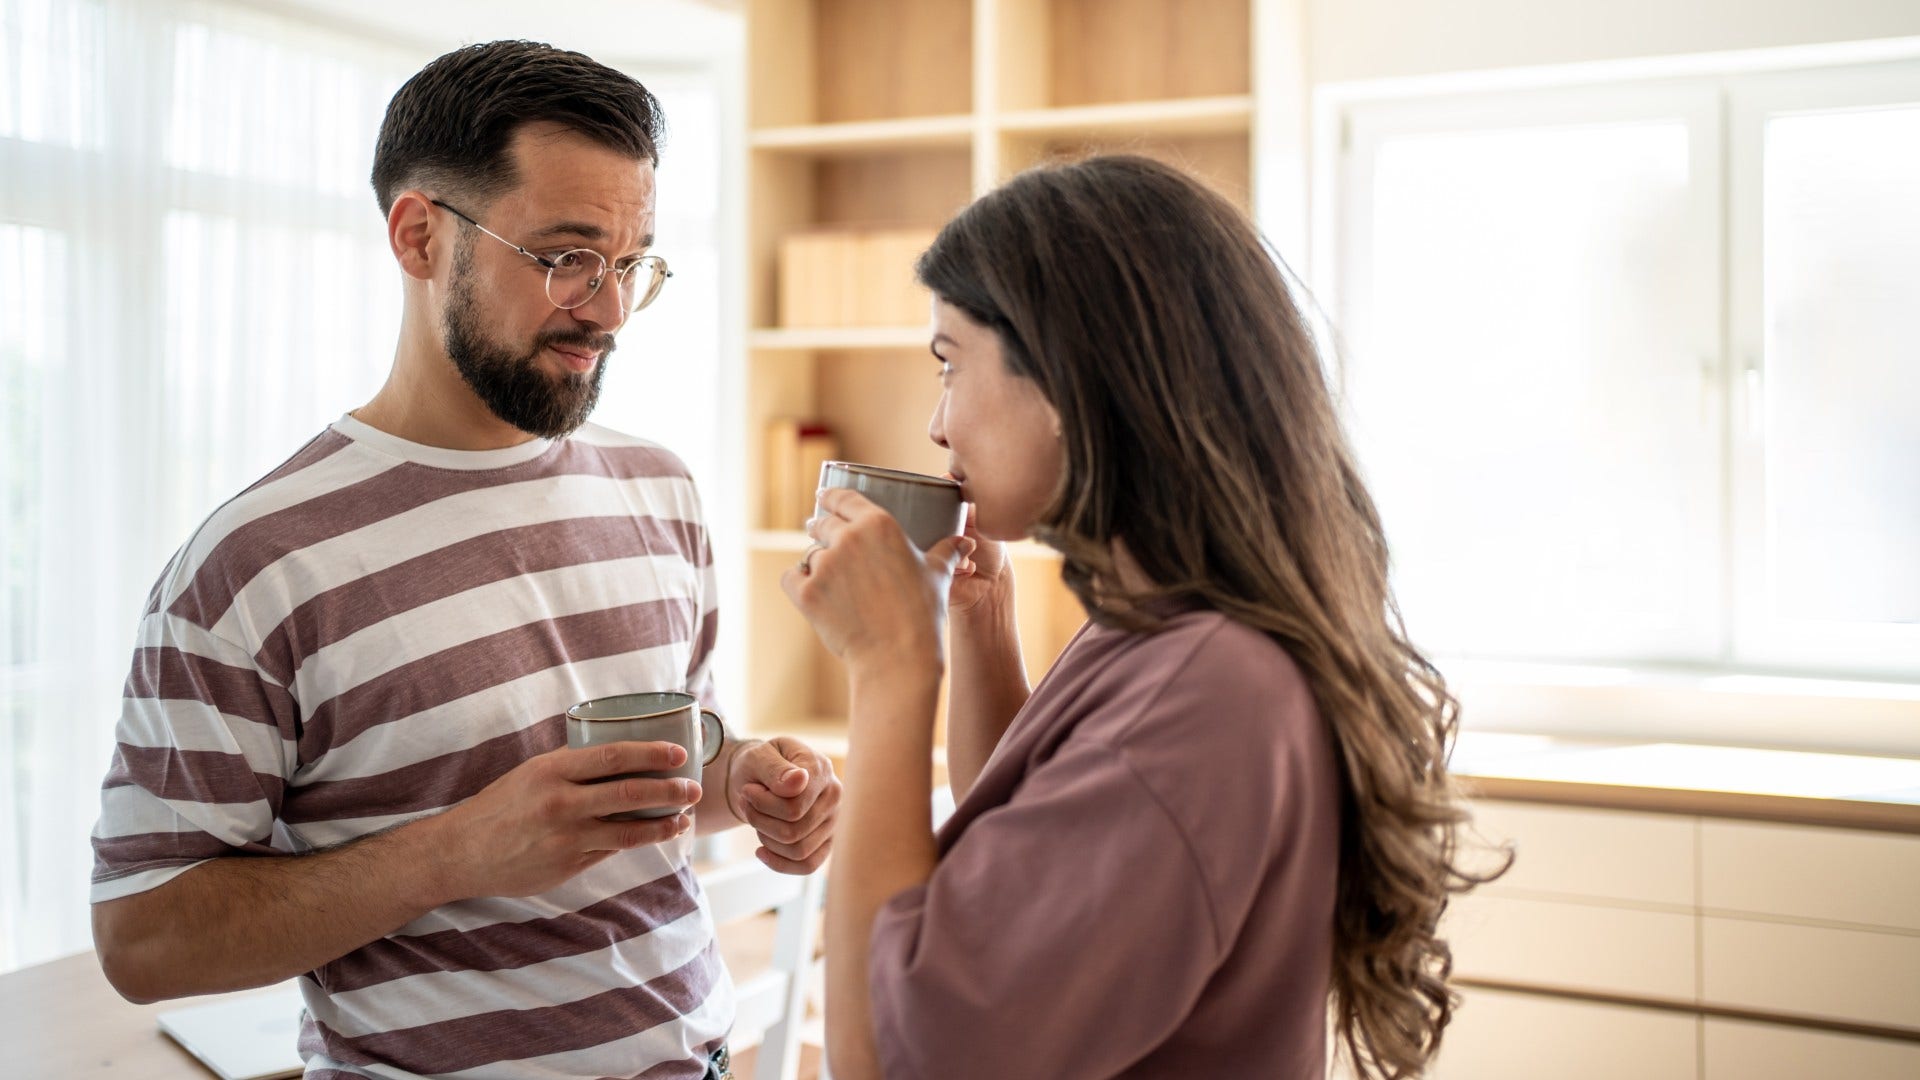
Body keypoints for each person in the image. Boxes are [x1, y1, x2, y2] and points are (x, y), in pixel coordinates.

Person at [90, 41, 840, 1080]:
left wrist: (746, 778)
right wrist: (460, 852)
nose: (610, 310)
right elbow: (144, 938)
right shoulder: (255, 565)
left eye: (631, 264)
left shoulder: (659, 489)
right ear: (419, 235)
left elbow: (668, 782)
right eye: (567, 257)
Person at [781, 154, 1502, 1079]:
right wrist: (980, 617)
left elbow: (889, 1057)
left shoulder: (1199, 695)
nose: (937, 426)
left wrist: (889, 667)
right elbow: (1021, 832)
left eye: (949, 365)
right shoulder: (1175, 623)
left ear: (1073, 378)